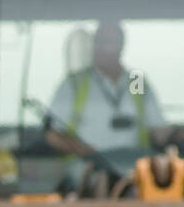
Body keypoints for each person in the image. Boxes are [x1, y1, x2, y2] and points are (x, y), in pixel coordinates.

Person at [45, 20, 176, 159]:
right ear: (93, 44)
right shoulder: (75, 83)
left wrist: (176, 135)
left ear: (121, 45)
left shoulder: (136, 81)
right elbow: (53, 135)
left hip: (133, 167)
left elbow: (157, 128)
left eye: (111, 41)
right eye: (101, 41)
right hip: (86, 167)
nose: (105, 47)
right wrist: (84, 151)